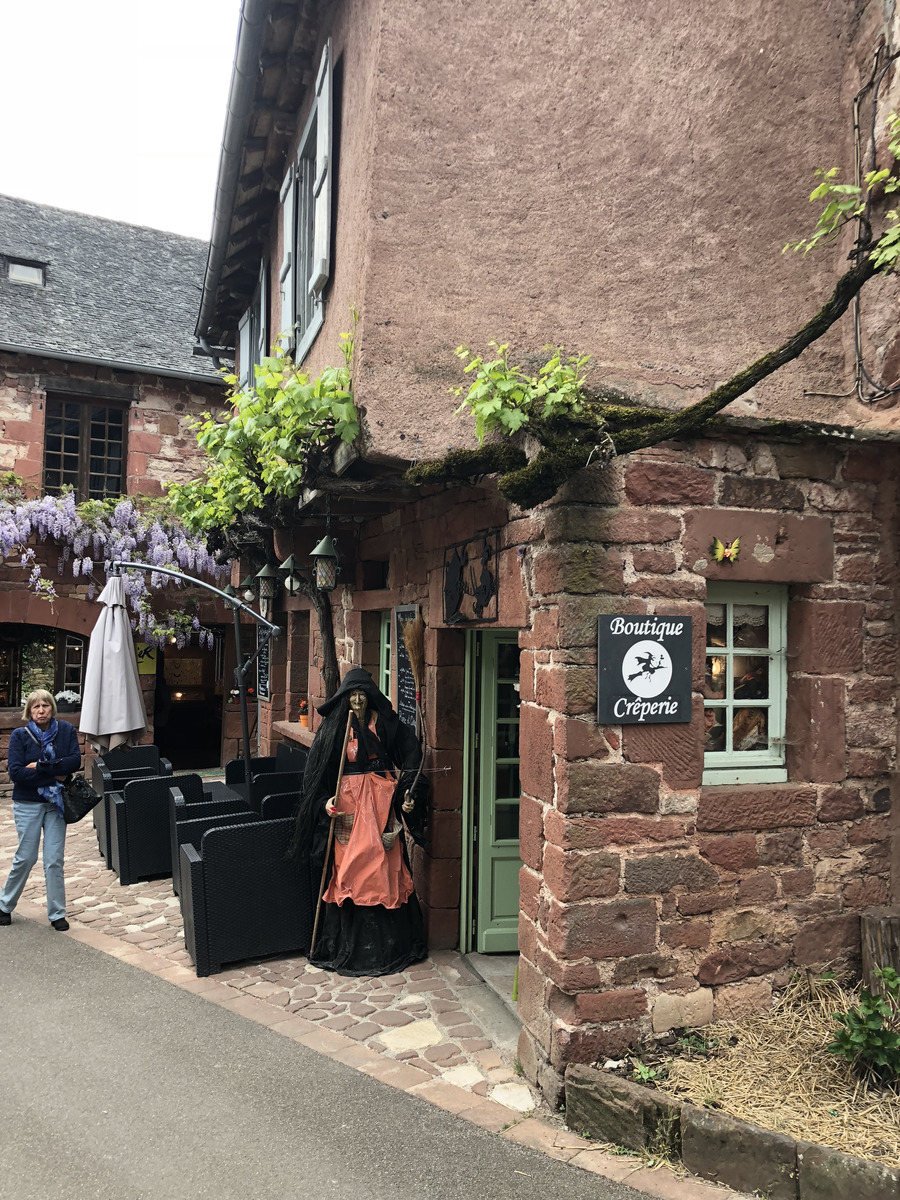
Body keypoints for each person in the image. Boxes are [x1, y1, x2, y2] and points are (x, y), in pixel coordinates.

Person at [290, 667, 428, 976]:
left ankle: (389, 948)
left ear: (370, 697)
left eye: (362, 696)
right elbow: (315, 777)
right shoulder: (334, 729)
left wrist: (409, 791)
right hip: (349, 813)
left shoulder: (387, 724)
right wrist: (325, 802)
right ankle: (349, 946)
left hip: (381, 808)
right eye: (352, 696)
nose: (357, 701)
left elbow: (411, 758)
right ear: (345, 700)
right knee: (350, 870)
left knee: (385, 868)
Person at [0, 689, 81, 930]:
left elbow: (74, 761)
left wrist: (42, 766)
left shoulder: (66, 731)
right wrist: (55, 773)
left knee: (54, 860)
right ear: (29, 711)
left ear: (52, 708)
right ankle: (4, 905)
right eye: (36, 706)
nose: (41, 710)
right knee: (26, 857)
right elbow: (16, 773)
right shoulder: (19, 736)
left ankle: (57, 913)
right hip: (28, 804)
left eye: (45, 705)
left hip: (56, 804)